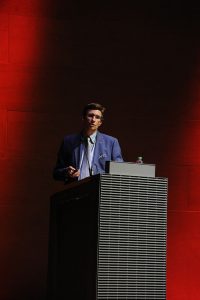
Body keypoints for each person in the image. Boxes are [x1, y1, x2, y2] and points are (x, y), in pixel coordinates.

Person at [53, 102, 123, 183]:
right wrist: (67, 172)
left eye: (97, 117)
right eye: (90, 116)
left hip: (99, 191)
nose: (93, 120)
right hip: (75, 191)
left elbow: (119, 171)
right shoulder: (68, 141)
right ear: (83, 118)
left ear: (100, 122)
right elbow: (56, 173)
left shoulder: (111, 142)